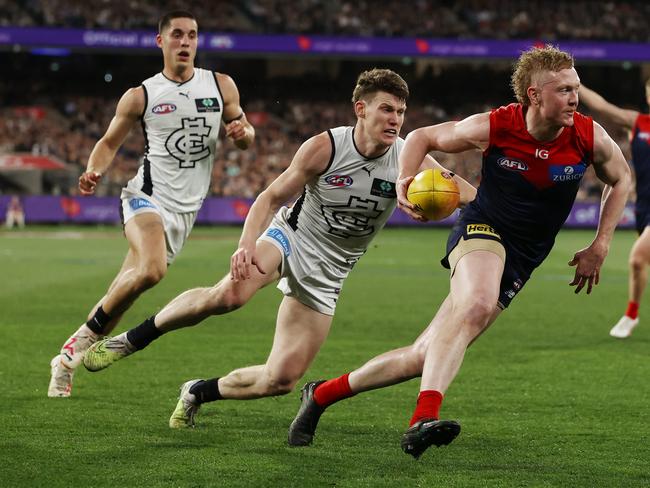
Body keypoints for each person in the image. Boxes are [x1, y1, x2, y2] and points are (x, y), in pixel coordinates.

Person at [80, 68, 477, 429]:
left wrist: (443, 200)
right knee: (230, 294)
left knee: (281, 379)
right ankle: (133, 338)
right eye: (387, 109)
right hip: (291, 237)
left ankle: (198, 391)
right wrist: (244, 246)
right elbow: (269, 198)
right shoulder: (326, 148)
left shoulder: (408, 157)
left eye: (401, 112)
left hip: (331, 272)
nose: (396, 120)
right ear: (361, 109)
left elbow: (467, 194)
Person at [287, 46, 631, 460]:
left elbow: (621, 179)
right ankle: (421, 420)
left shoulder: (588, 135)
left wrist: (601, 242)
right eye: (563, 90)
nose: (574, 98)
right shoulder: (498, 125)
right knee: (477, 306)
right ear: (534, 96)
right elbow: (422, 137)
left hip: (525, 255)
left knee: (423, 355)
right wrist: (405, 181)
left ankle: (321, 395)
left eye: (576, 88)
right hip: (482, 229)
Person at [47, 10, 255, 397]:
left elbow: (245, 136)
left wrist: (243, 132)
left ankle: (65, 360)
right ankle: (82, 349)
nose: (185, 42)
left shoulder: (221, 85)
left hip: (185, 211)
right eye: (177, 34)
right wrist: (94, 170)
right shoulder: (141, 95)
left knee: (124, 293)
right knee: (153, 270)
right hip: (145, 197)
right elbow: (109, 142)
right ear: (161, 41)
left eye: (192, 34)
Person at [578, 81, 650, 338]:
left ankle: (630, 315)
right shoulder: (638, 123)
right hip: (644, 208)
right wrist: (577, 86)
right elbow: (602, 107)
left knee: (638, 258)